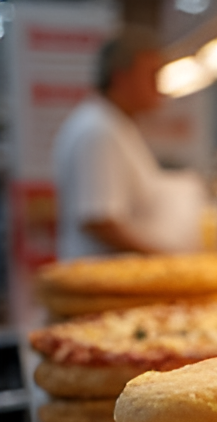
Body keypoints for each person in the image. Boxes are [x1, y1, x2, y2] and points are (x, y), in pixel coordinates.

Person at [53, 25, 203, 259]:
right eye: (152, 75)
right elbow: (99, 220)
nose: (159, 86)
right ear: (121, 78)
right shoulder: (99, 130)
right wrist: (165, 258)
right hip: (101, 285)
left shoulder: (115, 124)